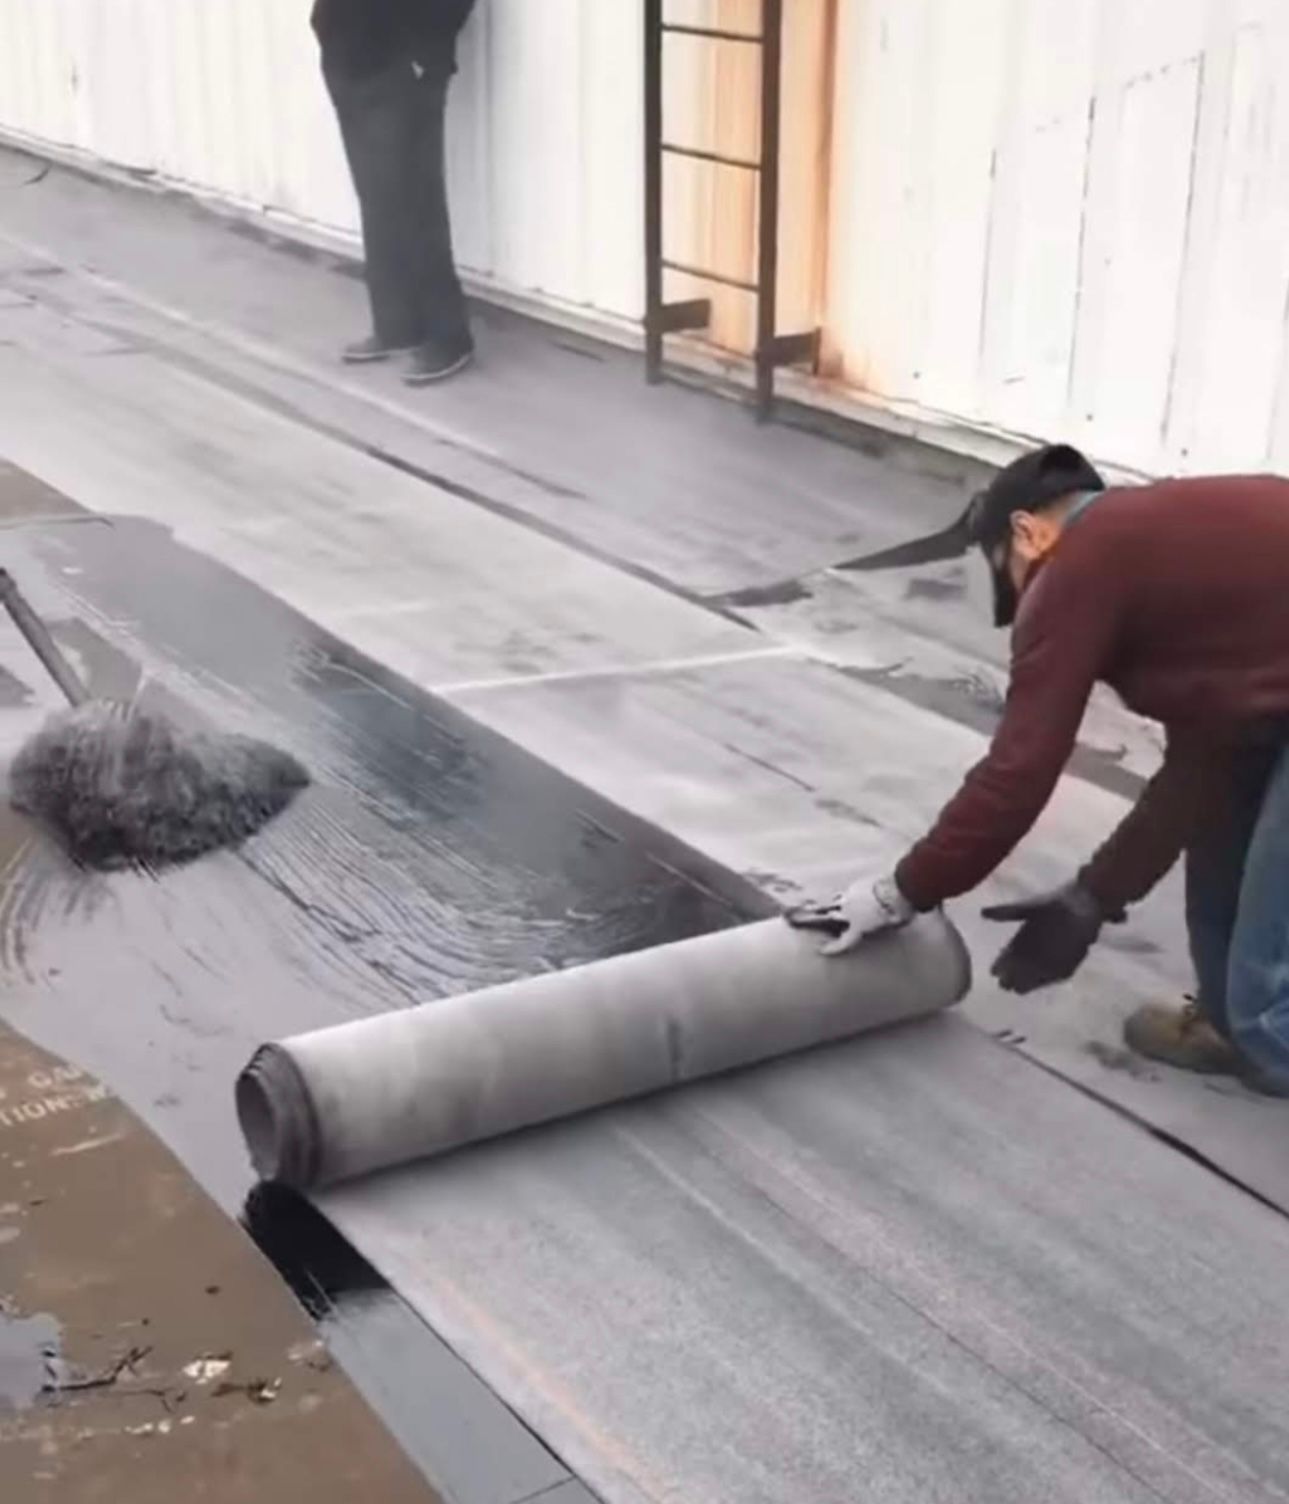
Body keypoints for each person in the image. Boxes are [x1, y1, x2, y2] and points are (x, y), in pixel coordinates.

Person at [788, 444, 1289, 1095]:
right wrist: (1092, 897)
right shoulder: (1160, 554)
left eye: (1006, 570)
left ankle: (1264, 1028)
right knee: (1222, 851)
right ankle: (1233, 1023)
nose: (1023, 600)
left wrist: (897, 893)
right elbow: (1197, 776)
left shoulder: (1076, 564)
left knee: (1264, 987)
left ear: (1026, 530)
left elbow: (1016, 773)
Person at [312, 0, 476, 385]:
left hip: (401, 67)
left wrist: (425, 53)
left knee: (416, 200)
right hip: (348, 57)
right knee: (376, 197)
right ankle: (396, 326)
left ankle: (448, 337)